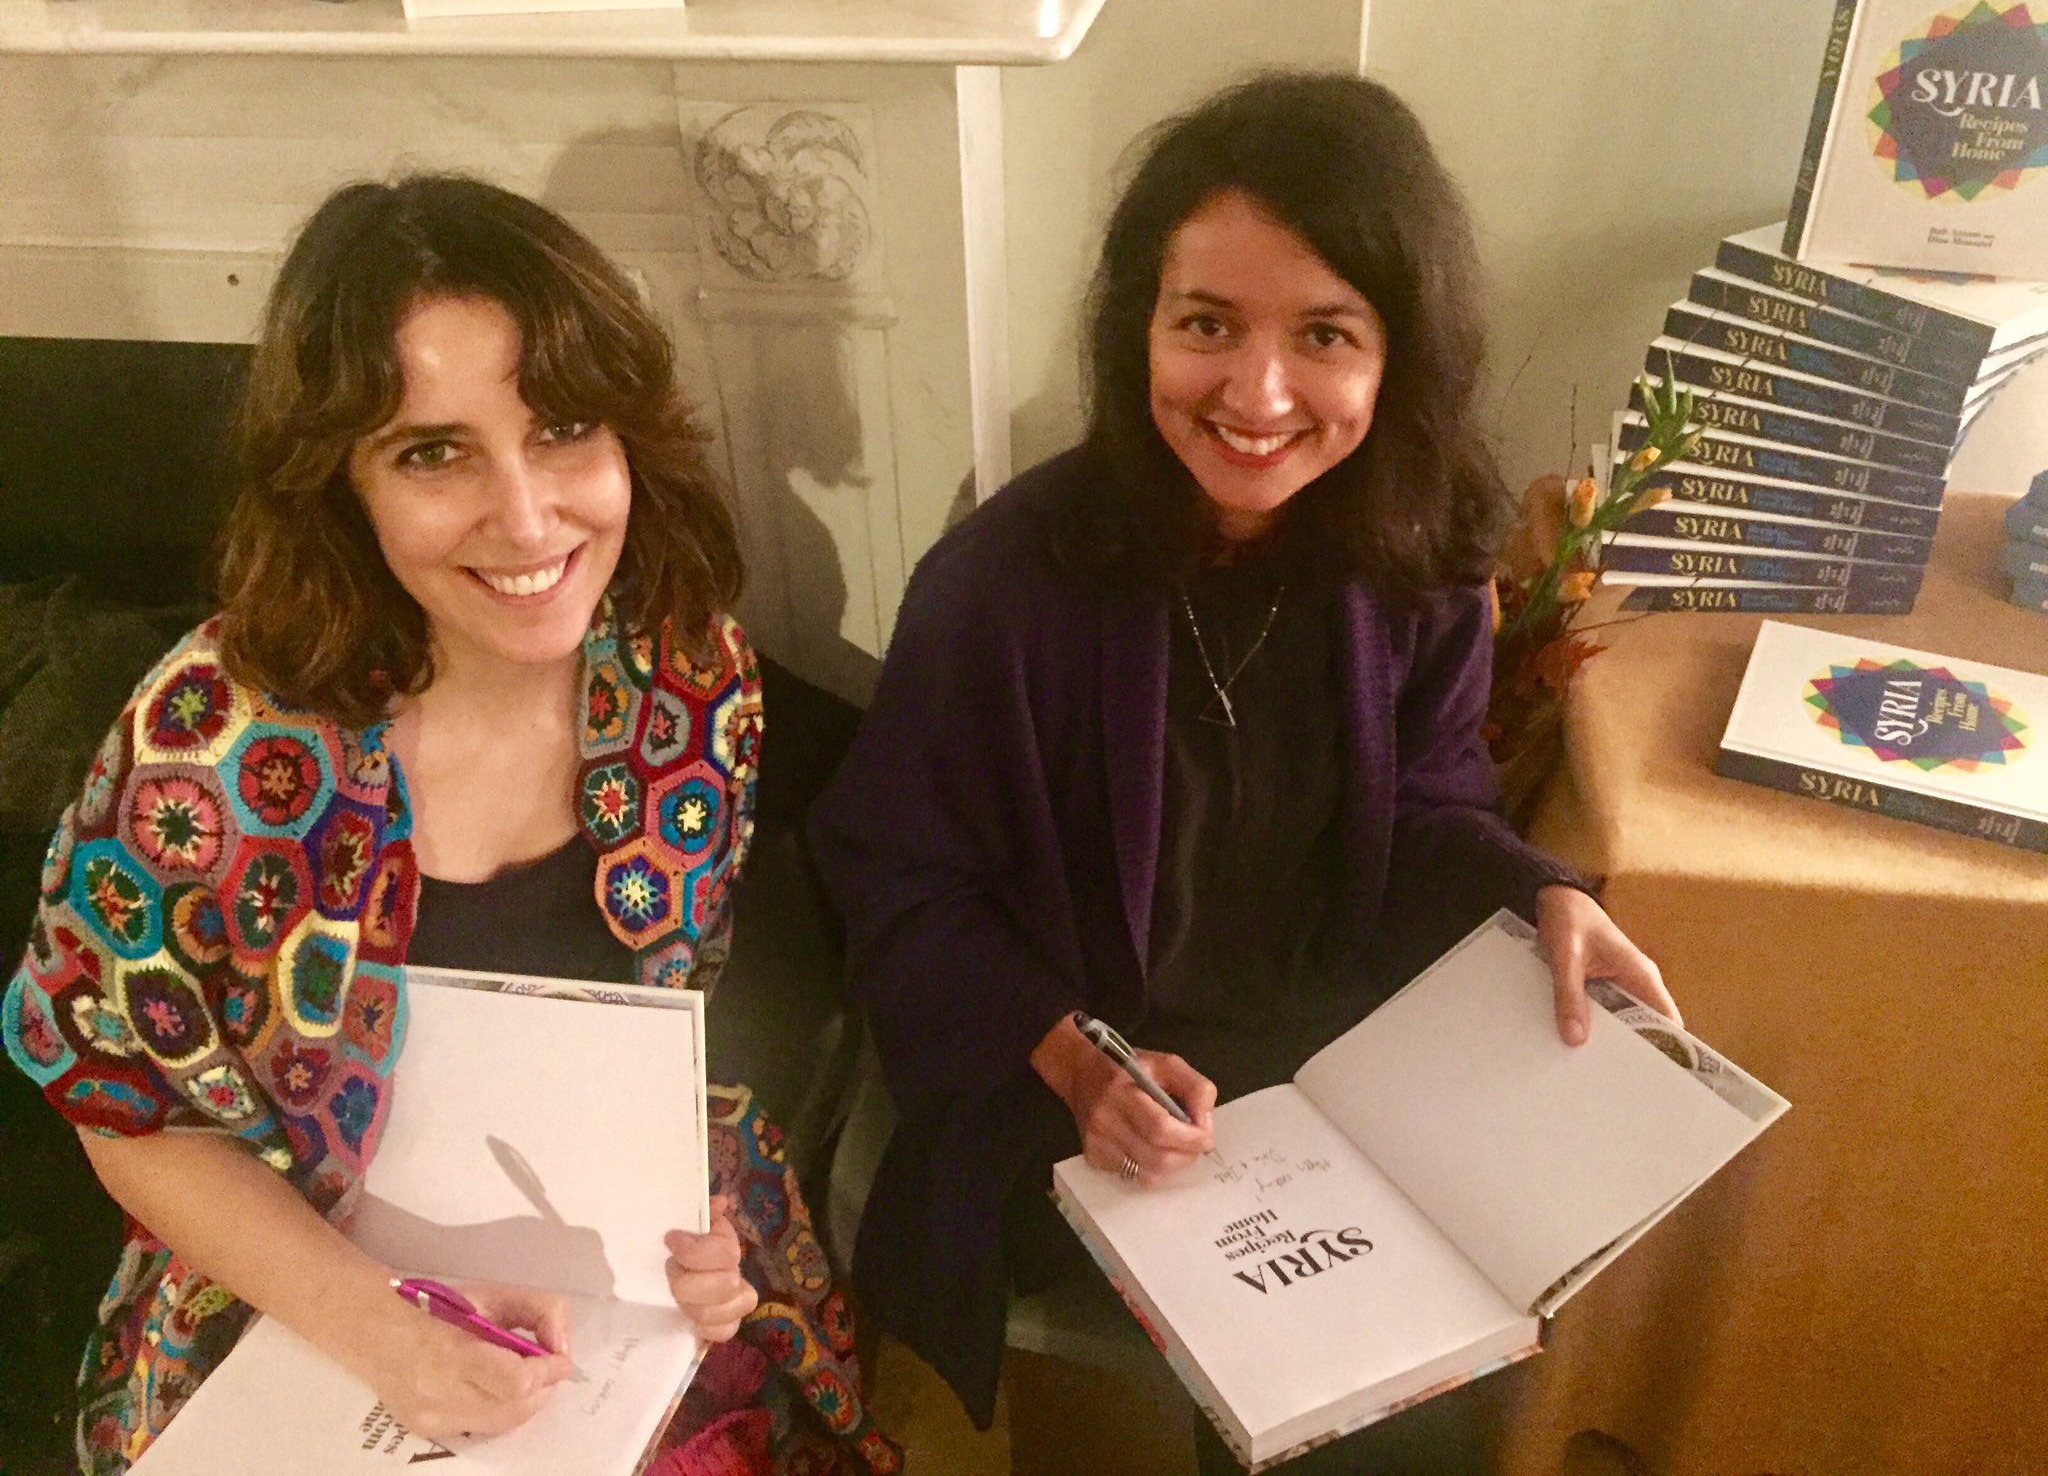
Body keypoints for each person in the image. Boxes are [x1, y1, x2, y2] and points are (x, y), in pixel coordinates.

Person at [808, 72, 1681, 1474]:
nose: (1257, 395)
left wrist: (1542, 895)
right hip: (1078, 1088)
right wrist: (1073, 1058)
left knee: (1436, 1369)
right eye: (1207, 324)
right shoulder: (1001, 585)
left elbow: (1429, 803)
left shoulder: (1418, 563)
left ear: (1397, 358)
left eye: (1324, 334)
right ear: (1138, 330)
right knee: (1352, 1388)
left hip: (1339, 1078)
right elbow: (894, 879)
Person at [1, 176, 896, 1476]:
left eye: (564, 428)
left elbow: (636, 1043)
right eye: (434, 452)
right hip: (296, 1294)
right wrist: (388, 1331)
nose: (526, 518)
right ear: (341, 483)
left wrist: (678, 1234)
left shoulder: (688, 680)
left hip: (585, 1292)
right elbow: (118, 1103)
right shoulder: (210, 749)